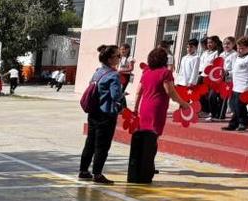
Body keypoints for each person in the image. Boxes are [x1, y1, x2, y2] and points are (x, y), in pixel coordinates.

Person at [129, 47, 190, 183]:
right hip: (157, 108)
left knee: (145, 137)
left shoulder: (146, 72)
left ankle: (145, 164)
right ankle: (148, 165)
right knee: (153, 138)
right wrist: (184, 103)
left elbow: (139, 92)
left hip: (144, 107)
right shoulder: (166, 73)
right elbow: (170, 92)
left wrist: (135, 108)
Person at [79, 45, 125, 185]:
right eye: (118, 56)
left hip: (93, 112)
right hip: (106, 114)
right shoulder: (113, 75)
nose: (120, 58)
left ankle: (83, 170)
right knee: (102, 145)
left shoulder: (98, 72)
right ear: (110, 59)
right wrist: (122, 96)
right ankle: (97, 173)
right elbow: (115, 95)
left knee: (90, 142)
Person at [223, 36, 248, 132]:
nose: (239, 50)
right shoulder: (238, 57)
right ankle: (233, 124)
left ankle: (244, 123)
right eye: (238, 48)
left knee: (240, 105)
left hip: (245, 86)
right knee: (234, 105)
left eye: (242, 48)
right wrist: (227, 73)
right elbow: (235, 70)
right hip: (236, 85)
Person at [198, 36, 223, 118]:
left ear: (215, 43)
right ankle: (204, 110)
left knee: (210, 96)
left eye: (211, 42)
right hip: (202, 75)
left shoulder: (217, 53)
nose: (209, 44)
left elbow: (217, 65)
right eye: (208, 43)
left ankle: (213, 112)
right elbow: (201, 64)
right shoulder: (205, 53)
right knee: (199, 93)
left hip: (211, 77)